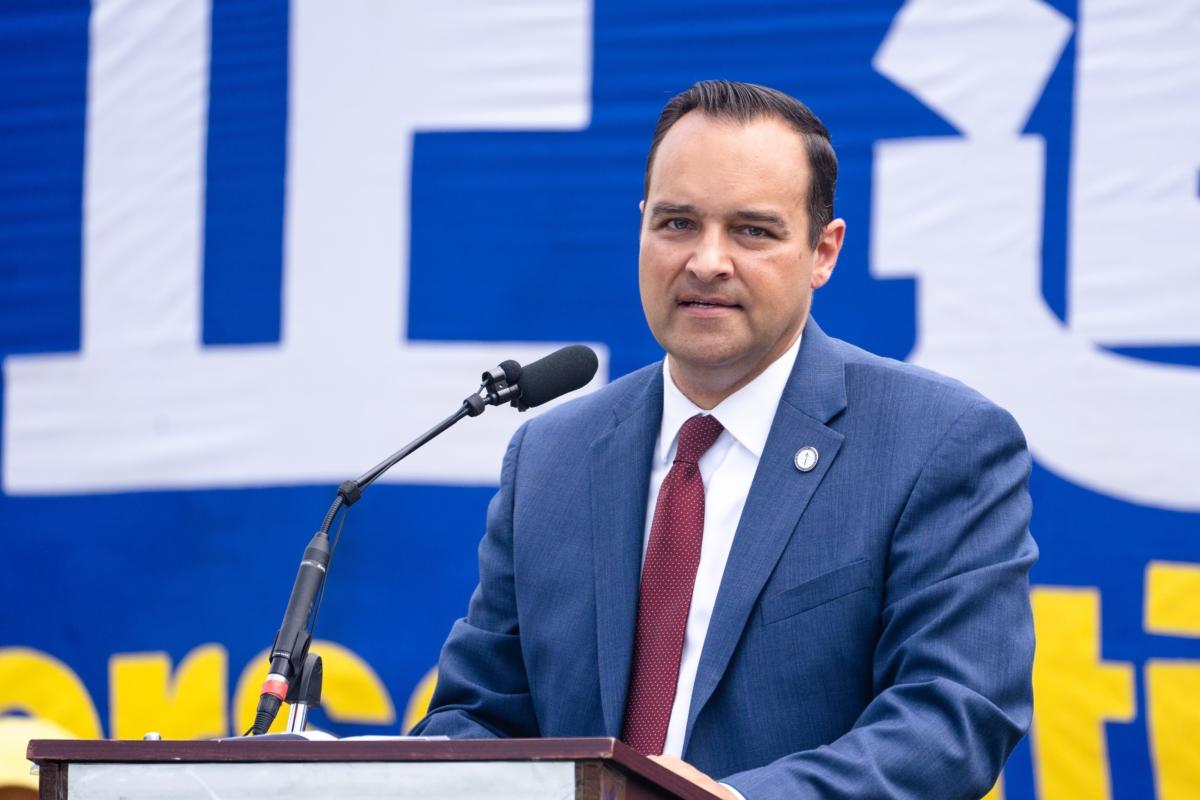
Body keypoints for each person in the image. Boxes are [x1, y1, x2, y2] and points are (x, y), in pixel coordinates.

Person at [411, 80, 1036, 800]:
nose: (707, 261)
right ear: (641, 227)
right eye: (677, 224)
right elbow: (479, 712)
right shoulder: (551, 454)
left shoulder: (936, 442)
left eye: (752, 231)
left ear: (823, 252)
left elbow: (950, 719)